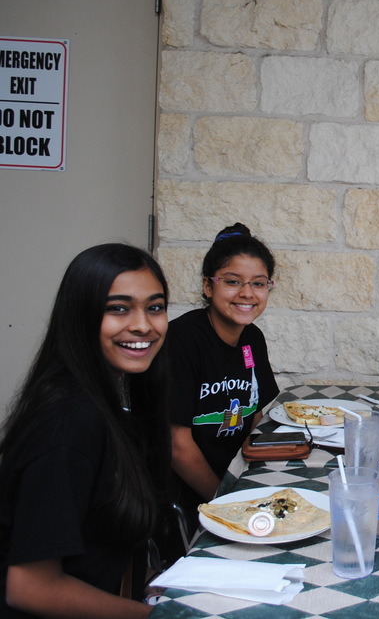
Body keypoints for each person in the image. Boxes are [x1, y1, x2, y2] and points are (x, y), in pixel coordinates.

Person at [0, 244, 171, 618]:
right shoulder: (67, 423)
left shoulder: (110, 400)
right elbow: (30, 588)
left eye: (155, 307)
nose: (143, 325)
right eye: (118, 308)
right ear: (80, 315)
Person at [167, 224, 280, 540]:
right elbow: (176, 445)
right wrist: (223, 499)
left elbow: (257, 415)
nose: (247, 293)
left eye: (258, 283)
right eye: (232, 282)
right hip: (192, 496)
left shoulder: (252, 338)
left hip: (238, 480)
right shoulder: (182, 342)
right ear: (208, 286)